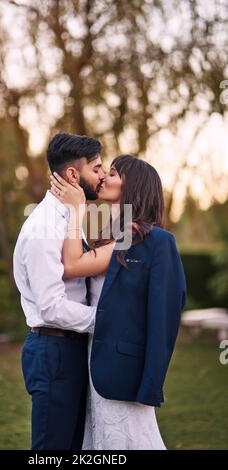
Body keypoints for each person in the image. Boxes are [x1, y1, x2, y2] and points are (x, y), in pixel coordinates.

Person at [50, 154, 187, 450]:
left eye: (113, 173)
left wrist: (75, 210)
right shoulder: (113, 236)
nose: (103, 178)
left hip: (126, 374)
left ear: (133, 185)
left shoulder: (157, 242)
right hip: (93, 364)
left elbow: (164, 317)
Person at [13, 132, 105, 450]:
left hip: (71, 347)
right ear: (72, 174)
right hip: (53, 350)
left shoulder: (67, 219)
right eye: (97, 167)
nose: (103, 175)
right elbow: (51, 306)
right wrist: (105, 319)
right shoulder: (43, 227)